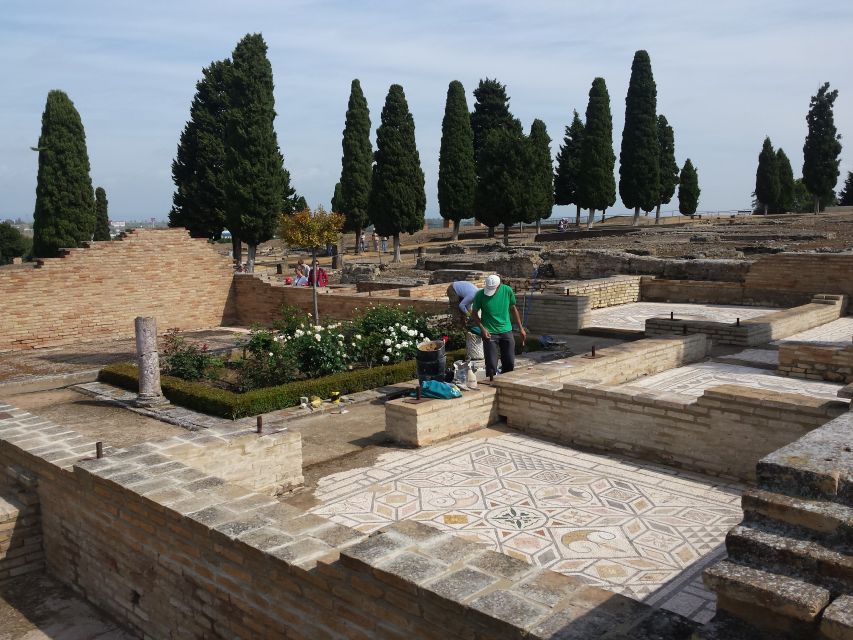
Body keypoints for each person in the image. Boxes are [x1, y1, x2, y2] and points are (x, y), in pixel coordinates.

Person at [471, 274, 526, 377]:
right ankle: (491, 383)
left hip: (506, 330)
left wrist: (521, 328)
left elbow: (513, 309)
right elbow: (474, 314)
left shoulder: (507, 291)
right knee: (491, 365)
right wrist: (482, 329)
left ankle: (506, 381)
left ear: (499, 286)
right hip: (489, 333)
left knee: (509, 362)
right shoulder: (480, 295)